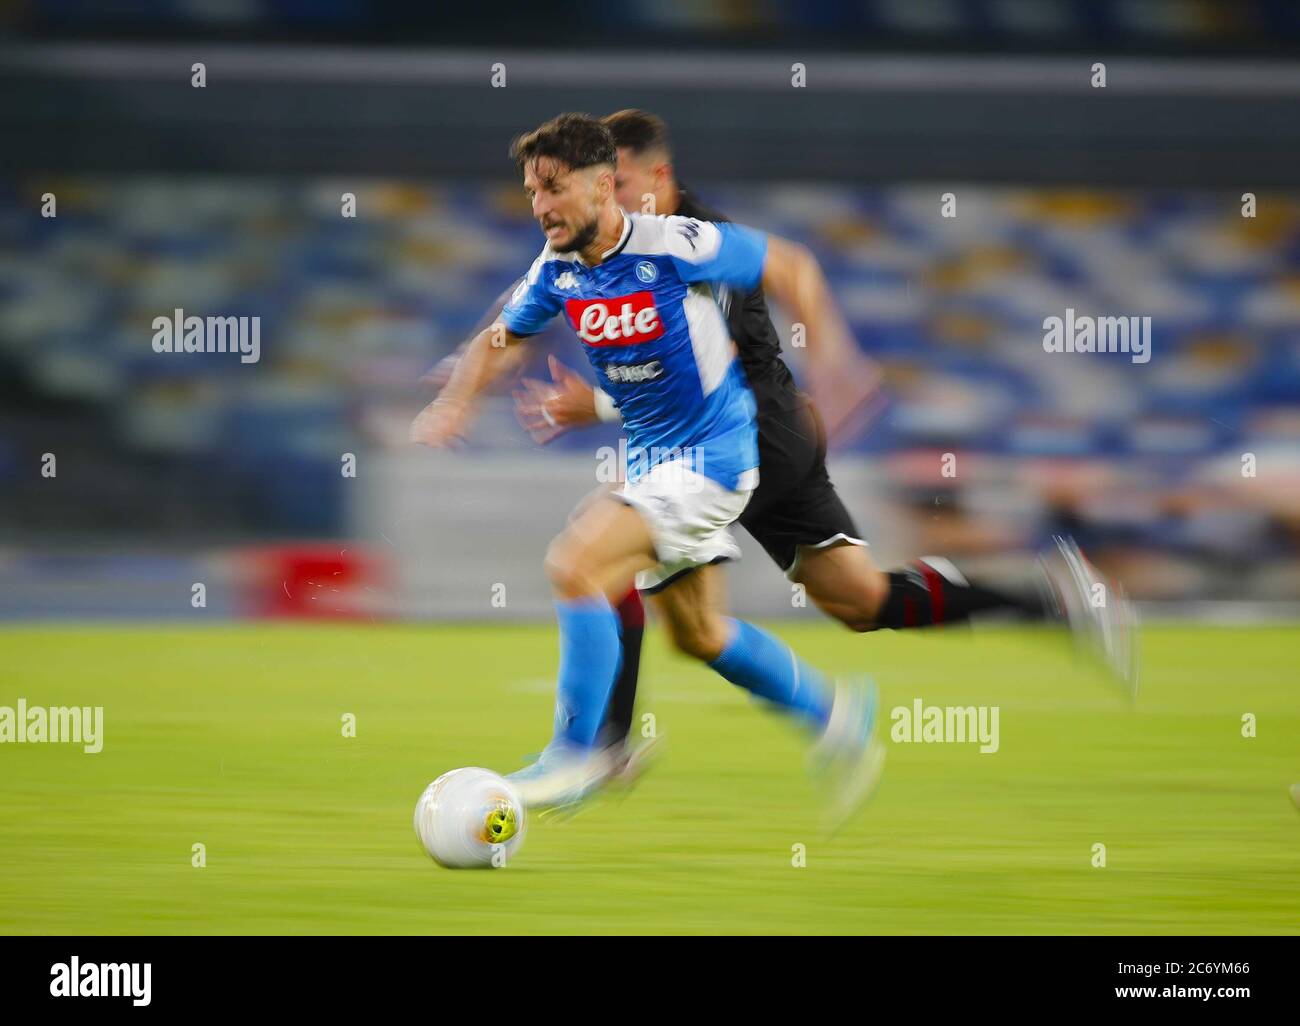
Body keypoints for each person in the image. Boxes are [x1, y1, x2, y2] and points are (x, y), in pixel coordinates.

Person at [509, 110, 1138, 776]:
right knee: (845, 605)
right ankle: (1043, 601)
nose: (605, 194)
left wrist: (834, 363)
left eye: (619, 179)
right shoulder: (617, 247)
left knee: (606, 550)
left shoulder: (692, 248)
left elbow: (702, 356)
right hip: (713, 441)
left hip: (753, 436)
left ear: (653, 176)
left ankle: (600, 746)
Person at [410, 112, 885, 825]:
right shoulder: (558, 271)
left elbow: (791, 266)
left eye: (553, 187)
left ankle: (577, 756)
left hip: (713, 460)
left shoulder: (674, 244)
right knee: (699, 634)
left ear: (605, 186)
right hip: (655, 464)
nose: (539, 206)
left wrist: (832, 361)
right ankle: (836, 715)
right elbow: (497, 338)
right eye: (531, 191)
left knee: (576, 563)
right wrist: (455, 402)